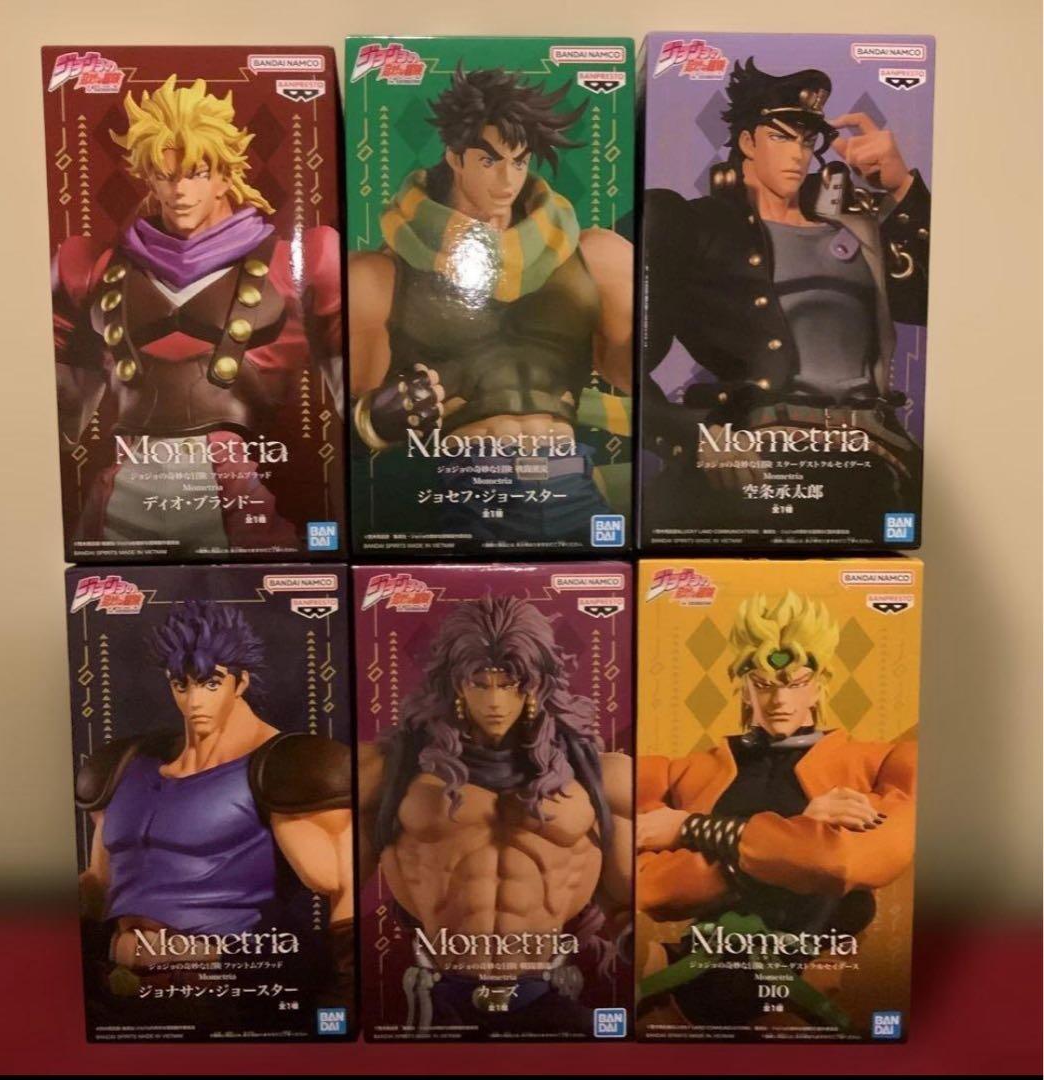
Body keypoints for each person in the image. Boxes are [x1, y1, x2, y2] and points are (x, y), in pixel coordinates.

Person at [53, 75, 342, 553]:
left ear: (226, 176)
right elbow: (63, 424)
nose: (180, 191)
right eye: (164, 175)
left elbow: (353, 403)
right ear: (148, 177)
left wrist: (383, 413)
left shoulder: (299, 262)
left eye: (197, 173)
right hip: (124, 497)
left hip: (244, 499)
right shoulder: (93, 267)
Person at [643, 58, 930, 536]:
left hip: (875, 451)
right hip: (761, 450)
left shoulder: (858, 225)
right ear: (747, 142)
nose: (797, 154)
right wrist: (694, 434)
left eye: (806, 140)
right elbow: (617, 360)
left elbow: (924, 303)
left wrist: (902, 189)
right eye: (780, 137)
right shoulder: (692, 225)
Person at [349, 66, 633, 544]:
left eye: (519, 162)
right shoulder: (380, 273)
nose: (507, 180)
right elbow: (344, 428)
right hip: (468, 486)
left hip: (571, 481)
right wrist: (375, 419)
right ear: (454, 156)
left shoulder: (595, 255)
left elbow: (632, 378)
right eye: (489, 160)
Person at [636, 590, 916, 1030]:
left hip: (794, 1002)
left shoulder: (882, 765)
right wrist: (802, 832)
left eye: (796, 683)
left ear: (820, 684)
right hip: (676, 987)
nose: (779, 700)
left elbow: (840, 862)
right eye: (763, 685)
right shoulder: (684, 772)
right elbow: (652, 890)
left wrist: (692, 828)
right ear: (743, 687)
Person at [359, 595, 632, 1034]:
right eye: (480, 684)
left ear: (537, 685)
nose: (495, 701)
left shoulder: (598, 774)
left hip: (551, 990)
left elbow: (629, 900)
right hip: (436, 996)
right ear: (455, 686)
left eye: (510, 684)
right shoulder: (394, 769)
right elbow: (334, 882)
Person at [76, 601, 352, 987]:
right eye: (182, 685)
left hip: (228, 984)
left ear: (241, 682)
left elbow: (343, 885)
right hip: (122, 984)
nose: (195, 702)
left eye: (211, 683)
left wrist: (344, 992)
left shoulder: (286, 766)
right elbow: (98, 883)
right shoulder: (123, 765)